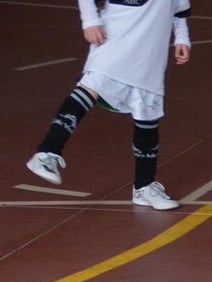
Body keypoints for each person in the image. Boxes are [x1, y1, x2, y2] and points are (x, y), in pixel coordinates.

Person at [26, 0, 192, 210]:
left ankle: (144, 186)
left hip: (150, 55)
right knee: (90, 89)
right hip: (115, 38)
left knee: (147, 116)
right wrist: (90, 20)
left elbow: (179, 8)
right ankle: (46, 153)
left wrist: (182, 37)